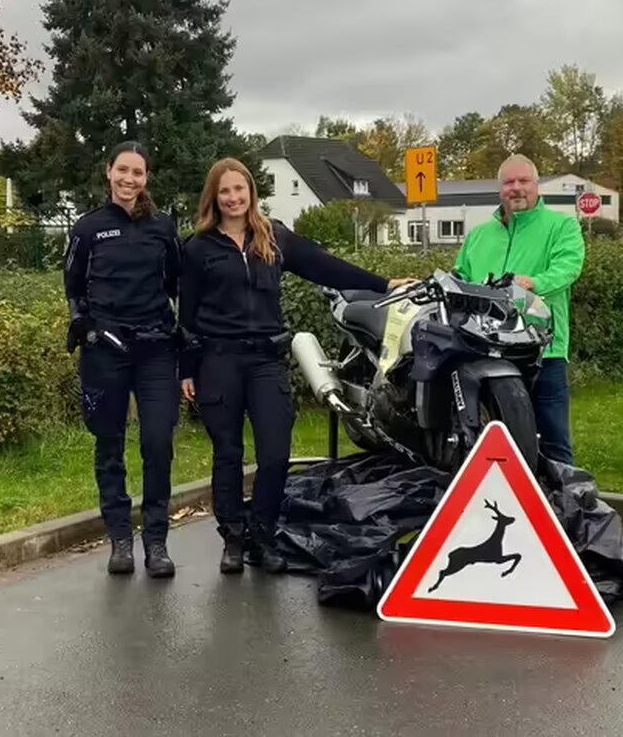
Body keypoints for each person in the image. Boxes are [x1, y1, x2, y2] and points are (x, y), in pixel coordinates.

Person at [178, 157, 416, 574]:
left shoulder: (273, 238)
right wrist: (186, 369)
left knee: (275, 456)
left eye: (240, 189)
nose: (234, 198)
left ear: (251, 192)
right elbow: (189, 315)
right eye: (225, 192)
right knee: (228, 454)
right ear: (213, 198)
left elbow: (324, 265)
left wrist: (382, 285)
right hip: (219, 361)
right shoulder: (198, 249)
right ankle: (233, 538)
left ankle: (263, 536)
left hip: (266, 361)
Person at [64, 141, 184, 579]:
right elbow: (73, 285)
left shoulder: (164, 227)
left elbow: (175, 283)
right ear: (109, 172)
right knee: (109, 444)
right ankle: (120, 539)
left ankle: (156, 542)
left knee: (157, 443)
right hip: (105, 352)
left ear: (146, 178)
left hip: (155, 349)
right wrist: (83, 323)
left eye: (138, 173)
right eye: (122, 171)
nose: (129, 180)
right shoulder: (88, 228)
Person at [453, 153, 585, 466]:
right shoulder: (479, 235)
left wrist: (533, 283)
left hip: (542, 350)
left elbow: (568, 268)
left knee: (553, 438)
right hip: (488, 350)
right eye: (509, 182)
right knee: (495, 435)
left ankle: (563, 504)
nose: (516, 188)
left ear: (537, 185)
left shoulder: (562, 226)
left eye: (523, 181)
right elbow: (460, 275)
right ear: (500, 189)